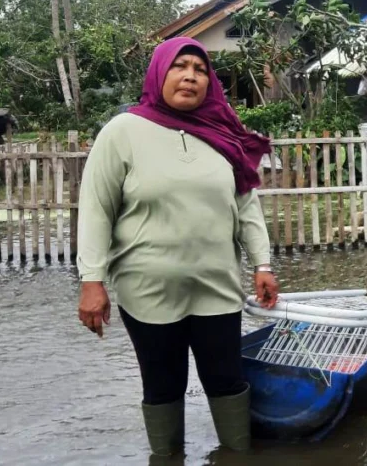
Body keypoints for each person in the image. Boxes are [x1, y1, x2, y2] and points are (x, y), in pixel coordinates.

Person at [76, 37, 280, 457]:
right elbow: (96, 209)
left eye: (200, 69)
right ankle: (167, 458)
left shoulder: (223, 133)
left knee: (227, 381)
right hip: (149, 291)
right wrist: (91, 281)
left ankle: (236, 456)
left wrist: (262, 263)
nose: (190, 76)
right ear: (158, 72)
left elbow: (246, 206)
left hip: (217, 289)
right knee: (163, 385)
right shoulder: (123, 133)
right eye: (179, 67)